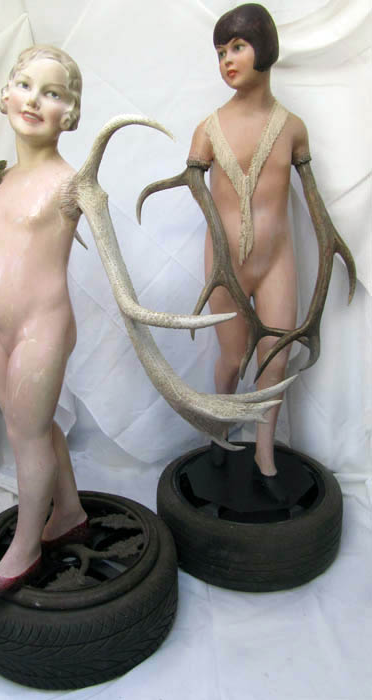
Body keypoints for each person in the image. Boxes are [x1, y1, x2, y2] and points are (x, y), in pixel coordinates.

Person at [187, 4, 310, 503]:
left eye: (238, 47)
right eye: (221, 52)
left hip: (277, 259)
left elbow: (314, 202)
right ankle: (220, 429)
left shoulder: (293, 128)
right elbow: (195, 185)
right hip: (226, 263)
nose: (228, 61)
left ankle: (264, 452)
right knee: (232, 358)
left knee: (275, 357)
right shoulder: (208, 129)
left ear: (265, 47)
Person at [0, 45, 88, 595]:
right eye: (25, 85)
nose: (34, 100)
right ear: (5, 95)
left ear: (70, 113)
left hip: (40, 328)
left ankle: (25, 549)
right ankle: (68, 511)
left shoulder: (69, 183)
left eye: (52, 93)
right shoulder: (0, 179)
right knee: (29, 427)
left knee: (26, 436)